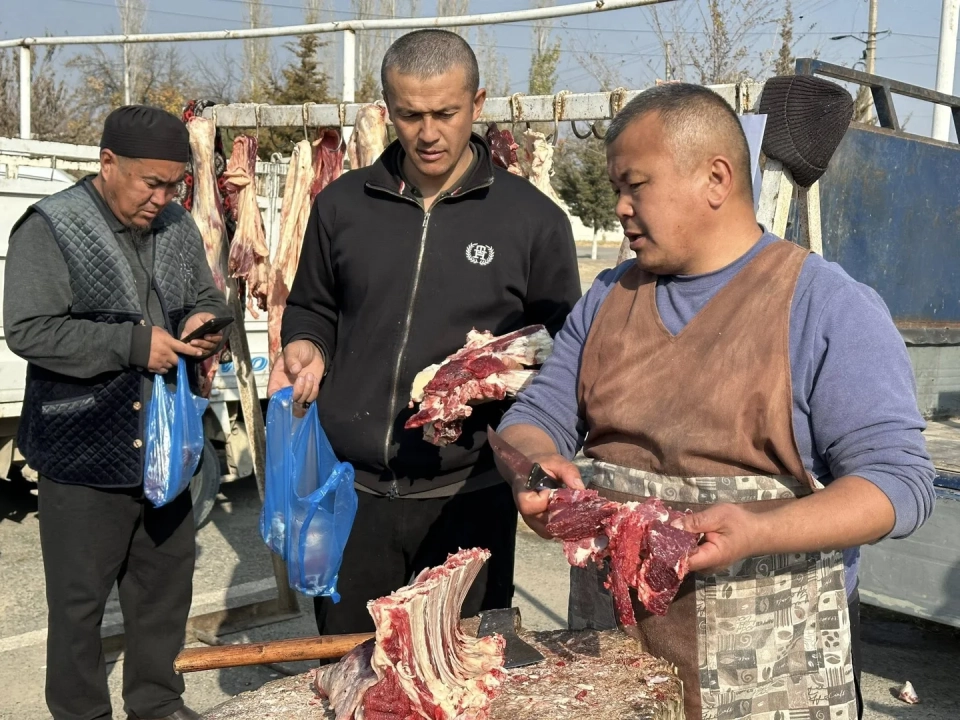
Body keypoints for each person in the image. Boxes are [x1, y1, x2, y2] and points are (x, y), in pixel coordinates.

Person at [496, 82, 936, 720]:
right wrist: (534, 471)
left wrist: (759, 531)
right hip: (616, 672)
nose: (619, 207)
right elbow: (536, 418)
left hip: (775, 680)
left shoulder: (824, 305)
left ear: (716, 178)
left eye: (635, 185)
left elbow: (899, 484)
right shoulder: (609, 298)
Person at [268, 29, 581, 636]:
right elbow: (312, 306)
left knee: (458, 680)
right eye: (410, 115)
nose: (429, 133)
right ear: (387, 111)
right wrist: (305, 344)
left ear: (478, 104)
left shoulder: (532, 220)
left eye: (446, 112)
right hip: (350, 494)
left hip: (469, 496)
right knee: (355, 673)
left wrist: (495, 385)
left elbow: (561, 349)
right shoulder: (341, 206)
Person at [4, 105, 228, 720]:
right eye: (149, 183)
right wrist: (132, 345)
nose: (161, 198)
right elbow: (28, 329)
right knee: (79, 603)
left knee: (163, 590)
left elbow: (204, 294)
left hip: (167, 446)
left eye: (173, 185)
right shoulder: (51, 227)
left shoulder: (178, 225)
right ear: (107, 163)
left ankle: (156, 703)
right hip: (81, 448)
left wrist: (205, 322)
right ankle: (81, 714)